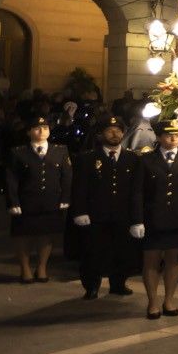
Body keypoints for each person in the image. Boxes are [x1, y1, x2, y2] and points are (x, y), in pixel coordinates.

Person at [130, 118, 178, 318]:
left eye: (177, 134)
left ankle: (169, 300)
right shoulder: (146, 160)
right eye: (168, 135)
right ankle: (152, 302)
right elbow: (137, 192)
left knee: (174, 261)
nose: (174, 138)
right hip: (153, 218)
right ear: (159, 137)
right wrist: (137, 219)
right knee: (151, 261)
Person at [71, 115, 141, 299]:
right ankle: (91, 285)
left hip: (122, 214)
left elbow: (135, 190)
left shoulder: (132, 158)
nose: (114, 134)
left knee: (121, 251)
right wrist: (80, 211)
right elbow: (79, 188)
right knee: (93, 252)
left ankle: (118, 283)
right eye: (109, 131)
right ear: (101, 134)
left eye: (118, 130)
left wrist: (136, 218)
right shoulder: (87, 158)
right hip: (96, 214)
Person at [5, 115, 70, 283]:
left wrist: (65, 198)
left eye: (46, 128)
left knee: (47, 235)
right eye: (37, 128)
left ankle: (42, 267)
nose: (42, 131)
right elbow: (11, 179)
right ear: (29, 132)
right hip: (26, 200)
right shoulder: (19, 152)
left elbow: (67, 176)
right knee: (23, 235)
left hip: (51, 200)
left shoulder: (60, 150)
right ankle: (25, 268)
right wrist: (13, 202)